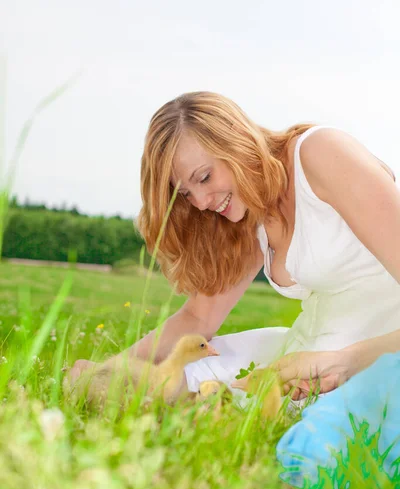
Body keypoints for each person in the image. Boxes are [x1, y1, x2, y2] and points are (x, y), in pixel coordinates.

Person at [68, 91, 400, 400]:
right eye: (184, 193)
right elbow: (197, 317)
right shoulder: (250, 212)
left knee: (206, 401)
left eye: (204, 177)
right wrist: (110, 368)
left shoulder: (320, 154)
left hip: (375, 354)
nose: (199, 202)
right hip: (310, 349)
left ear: (235, 141)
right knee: (170, 378)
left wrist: (342, 361)